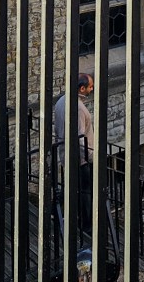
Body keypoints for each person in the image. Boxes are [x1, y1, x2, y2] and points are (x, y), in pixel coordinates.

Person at [54, 74, 94, 236]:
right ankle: (87, 226)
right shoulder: (77, 108)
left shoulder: (62, 100)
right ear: (82, 88)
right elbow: (80, 137)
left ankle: (55, 211)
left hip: (66, 153)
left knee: (71, 185)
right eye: (90, 86)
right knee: (85, 191)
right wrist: (90, 157)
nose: (92, 89)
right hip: (80, 157)